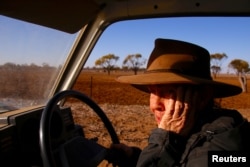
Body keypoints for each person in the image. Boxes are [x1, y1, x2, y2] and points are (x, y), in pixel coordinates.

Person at [111, 38, 250, 167]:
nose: (153, 106)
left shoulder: (221, 146)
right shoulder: (197, 131)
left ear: (203, 96)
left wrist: (164, 143)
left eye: (168, 92)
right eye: (152, 91)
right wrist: (134, 158)